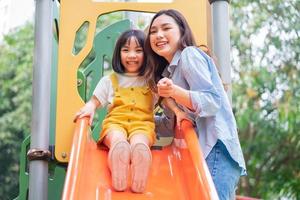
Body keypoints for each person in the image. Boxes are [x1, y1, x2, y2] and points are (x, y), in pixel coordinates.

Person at [144, 9, 247, 199]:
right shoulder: (169, 74)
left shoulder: (189, 55)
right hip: (200, 154)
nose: (158, 35)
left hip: (215, 148)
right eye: (153, 31)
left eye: (166, 28)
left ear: (182, 31)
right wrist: (138, 119)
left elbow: (212, 102)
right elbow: (170, 126)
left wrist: (175, 91)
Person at [74, 29, 154, 193]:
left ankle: (140, 170)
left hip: (142, 126)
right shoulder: (109, 81)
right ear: (119, 54)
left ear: (147, 54)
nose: (132, 55)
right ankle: (118, 170)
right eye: (126, 50)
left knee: (140, 143)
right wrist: (89, 108)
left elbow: (167, 97)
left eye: (138, 50)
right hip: (115, 124)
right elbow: (95, 102)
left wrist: (177, 111)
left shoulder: (151, 80)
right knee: (118, 141)